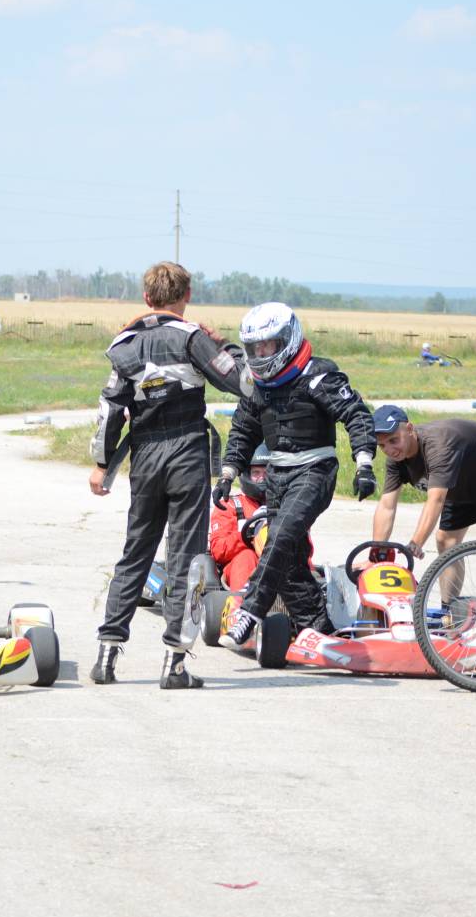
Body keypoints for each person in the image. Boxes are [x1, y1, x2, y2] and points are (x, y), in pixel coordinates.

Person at [87, 262, 250, 689]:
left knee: (135, 552)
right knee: (185, 559)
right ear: (187, 295)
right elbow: (240, 381)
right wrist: (224, 344)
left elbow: (110, 410)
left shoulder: (124, 344)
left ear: (146, 297)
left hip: (145, 456)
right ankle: (175, 664)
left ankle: (106, 656)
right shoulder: (193, 338)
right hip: (186, 452)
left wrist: (102, 464)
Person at [219, 302, 377, 648]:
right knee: (288, 561)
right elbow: (243, 432)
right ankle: (319, 631)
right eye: (255, 347)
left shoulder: (319, 375)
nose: (261, 354)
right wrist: (227, 474)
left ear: (287, 340)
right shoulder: (256, 385)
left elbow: (356, 414)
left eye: (268, 345)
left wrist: (364, 463)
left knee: (280, 536)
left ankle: (251, 611)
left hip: (315, 469)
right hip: (277, 475)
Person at [370, 405, 476, 562]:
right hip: (465, 483)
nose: (389, 450)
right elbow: (387, 505)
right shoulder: (396, 459)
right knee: (446, 541)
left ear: (409, 429)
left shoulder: (438, 445)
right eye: (382, 445)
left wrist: (416, 543)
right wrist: (376, 554)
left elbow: (436, 499)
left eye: (393, 440)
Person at [207, 443, 271, 591]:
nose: (262, 478)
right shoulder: (229, 504)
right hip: (239, 568)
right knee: (246, 556)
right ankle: (242, 603)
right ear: (246, 475)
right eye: (256, 473)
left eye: (266, 473)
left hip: (275, 562)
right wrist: (247, 534)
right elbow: (218, 551)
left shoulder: (284, 506)